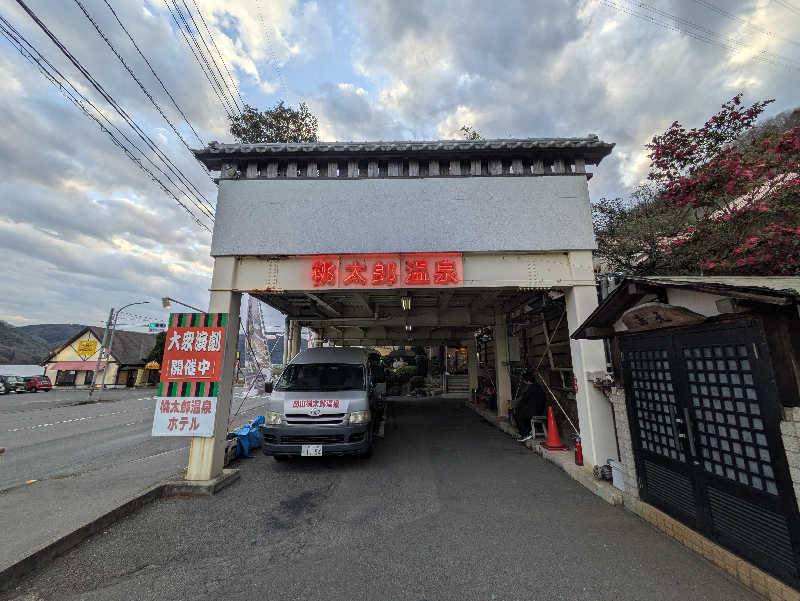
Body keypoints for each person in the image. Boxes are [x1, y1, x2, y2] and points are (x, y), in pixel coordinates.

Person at [512, 370, 548, 442]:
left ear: (527, 381)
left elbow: (524, 399)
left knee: (517, 415)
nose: (523, 382)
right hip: (539, 410)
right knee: (522, 413)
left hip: (534, 411)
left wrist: (515, 405)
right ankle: (527, 432)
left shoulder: (531, 388)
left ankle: (525, 434)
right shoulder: (538, 387)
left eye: (524, 380)